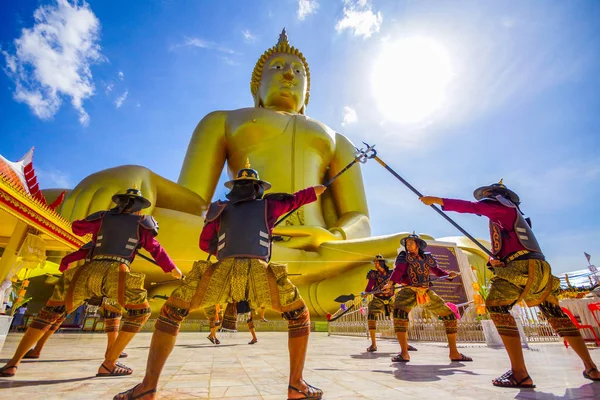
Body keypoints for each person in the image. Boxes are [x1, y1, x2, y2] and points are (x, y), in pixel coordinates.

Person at [114, 162, 325, 400]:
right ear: (257, 188)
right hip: (259, 269)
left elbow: (205, 243)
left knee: (172, 312)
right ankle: (296, 386)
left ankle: (148, 386)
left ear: (235, 188)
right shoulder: (270, 204)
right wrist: (323, 186)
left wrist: (223, 252)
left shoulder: (219, 208)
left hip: (222, 268)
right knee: (298, 315)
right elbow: (302, 196)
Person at [421, 180, 600, 386]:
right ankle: (591, 367)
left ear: (496, 194)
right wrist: (494, 261)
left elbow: (473, 207)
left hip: (520, 269)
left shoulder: (501, 205)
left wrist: (437, 200)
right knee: (554, 313)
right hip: (540, 268)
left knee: (496, 307)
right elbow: (508, 249)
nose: (485, 197)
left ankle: (519, 373)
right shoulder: (512, 218)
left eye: (488, 194)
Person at [0, 187, 181, 378]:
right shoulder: (143, 222)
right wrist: (172, 268)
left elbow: (77, 228)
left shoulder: (103, 218)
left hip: (86, 271)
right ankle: (110, 362)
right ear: (139, 209)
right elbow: (155, 248)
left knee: (50, 313)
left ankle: (13, 363)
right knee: (140, 312)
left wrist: (104, 219)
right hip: (116, 273)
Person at [383, 233, 471, 363]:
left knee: (450, 315)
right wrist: (390, 284)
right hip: (409, 290)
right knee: (399, 315)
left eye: (411, 242)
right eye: (407, 243)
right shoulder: (403, 256)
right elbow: (399, 270)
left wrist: (448, 275)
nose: (408, 245)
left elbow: (437, 271)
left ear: (418, 244)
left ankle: (454, 353)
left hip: (425, 291)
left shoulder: (427, 257)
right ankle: (404, 353)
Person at [363, 255, 395, 352]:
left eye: (377, 262)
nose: (375, 264)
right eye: (375, 262)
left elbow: (395, 282)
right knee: (371, 317)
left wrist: (389, 288)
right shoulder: (373, 274)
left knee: (401, 317)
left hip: (391, 299)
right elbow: (369, 287)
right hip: (377, 299)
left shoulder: (391, 273)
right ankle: (373, 344)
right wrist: (366, 293)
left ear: (382, 263)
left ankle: (406, 344)